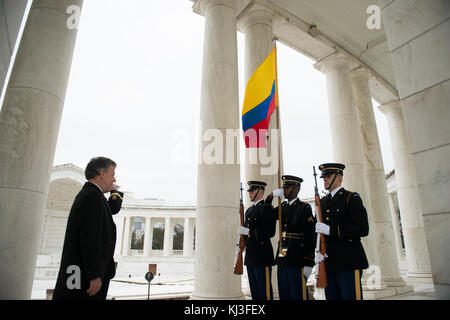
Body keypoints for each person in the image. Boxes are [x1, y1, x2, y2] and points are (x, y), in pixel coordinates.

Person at [53, 157, 118, 300]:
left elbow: (111, 209)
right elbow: (90, 238)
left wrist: (116, 194)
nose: (114, 180)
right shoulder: (92, 197)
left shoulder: (93, 195)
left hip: (83, 273)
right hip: (85, 276)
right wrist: (94, 275)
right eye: (112, 175)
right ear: (102, 173)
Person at [315, 163, 369, 300]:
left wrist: (331, 230)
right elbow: (317, 234)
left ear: (339, 178)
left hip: (348, 260)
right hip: (329, 261)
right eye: (323, 177)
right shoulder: (322, 202)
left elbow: (362, 228)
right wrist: (317, 252)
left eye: (328, 176)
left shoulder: (351, 198)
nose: (325, 179)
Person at [265, 175, 316, 300]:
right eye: (284, 188)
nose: (284, 190)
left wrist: (309, 262)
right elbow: (267, 215)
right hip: (283, 254)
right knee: (284, 292)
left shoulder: (304, 208)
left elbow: (310, 236)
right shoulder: (283, 207)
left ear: (296, 188)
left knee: (297, 293)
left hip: (297, 257)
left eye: (287, 188)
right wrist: (270, 197)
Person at [238, 181, 276, 300]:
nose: (249, 194)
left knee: (264, 291)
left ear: (260, 192)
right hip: (251, 256)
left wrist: (248, 232)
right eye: (249, 191)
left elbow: (270, 231)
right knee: (255, 291)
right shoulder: (248, 210)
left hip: (262, 256)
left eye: (252, 191)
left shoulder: (267, 208)